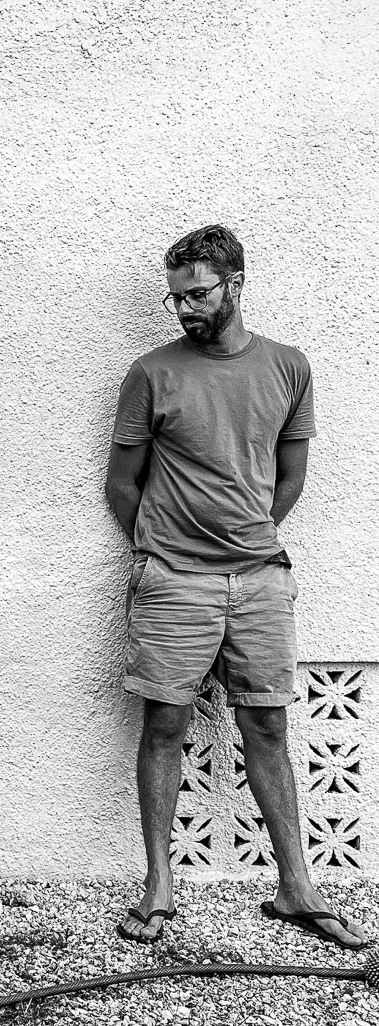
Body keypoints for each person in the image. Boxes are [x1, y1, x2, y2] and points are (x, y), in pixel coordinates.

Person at [104, 224, 367, 949]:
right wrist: (164, 550)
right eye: (176, 297)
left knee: (270, 728)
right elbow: (121, 484)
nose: (185, 309)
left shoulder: (288, 367)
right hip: (172, 581)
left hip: (258, 579)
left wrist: (242, 538)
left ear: (235, 283)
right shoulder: (151, 373)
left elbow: (288, 478)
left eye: (197, 294)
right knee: (164, 725)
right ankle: (158, 886)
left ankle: (296, 888)